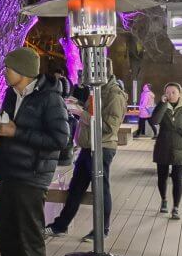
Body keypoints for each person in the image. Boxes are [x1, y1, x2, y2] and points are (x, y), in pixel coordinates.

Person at [0, 47, 71, 256]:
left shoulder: (49, 98)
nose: (5, 72)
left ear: (21, 71)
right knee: (9, 236)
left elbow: (60, 139)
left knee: (29, 236)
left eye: (8, 68)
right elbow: (10, 130)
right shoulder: (12, 96)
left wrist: (16, 132)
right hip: (10, 173)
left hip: (32, 176)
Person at [47, 62, 126, 237]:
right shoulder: (98, 90)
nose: (85, 77)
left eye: (89, 73)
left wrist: (80, 113)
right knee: (76, 187)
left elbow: (109, 126)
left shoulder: (114, 94)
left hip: (102, 147)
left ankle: (102, 229)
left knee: (101, 188)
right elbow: (95, 114)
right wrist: (79, 105)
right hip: (88, 146)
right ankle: (61, 225)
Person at [150, 82, 182, 220]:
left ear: (180, 93)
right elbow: (154, 121)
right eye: (168, 92)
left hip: (181, 147)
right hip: (163, 145)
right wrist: (162, 104)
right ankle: (164, 200)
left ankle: (176, 208)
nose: (170, 95)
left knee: (177, 178)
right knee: (162, 176)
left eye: (173, 92)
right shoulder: (162, 106)